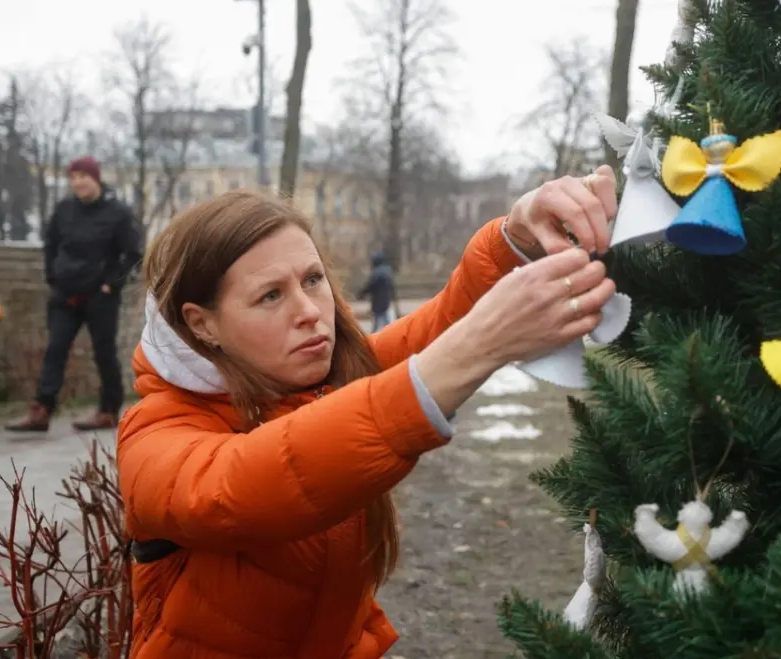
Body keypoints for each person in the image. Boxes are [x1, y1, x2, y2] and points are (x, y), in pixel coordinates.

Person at [118, 167, 619, 658]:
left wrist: (518, 237)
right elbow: (245, 483)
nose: (310, 310)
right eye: (271, 295)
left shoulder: (325, 384)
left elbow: (438, 328)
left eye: (312, 280)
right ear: (202, 324)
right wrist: (476, 347)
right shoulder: (155, 431)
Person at [6, 156, 143, 433]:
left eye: (84, 176)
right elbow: (51, 245)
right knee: (55, 350)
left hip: (100, 296)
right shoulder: (64, 210)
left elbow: (133, 255)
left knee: (104, 352)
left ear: (96, 178)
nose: (79, 182)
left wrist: (110, 284)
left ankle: (107, 409)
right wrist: (53, 277)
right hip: (65, 295)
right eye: (74, 177)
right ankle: (42, 410)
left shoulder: (118, 213)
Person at [359, 251, 398, 331]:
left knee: (378, 320)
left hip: (378, 301)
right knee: (385, 319)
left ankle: (374, 337)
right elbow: (391, 287)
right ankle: (391, 332)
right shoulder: (387, 271)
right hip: (386, 300)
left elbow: (369, 285)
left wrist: (361, 294)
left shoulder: (376, 272)